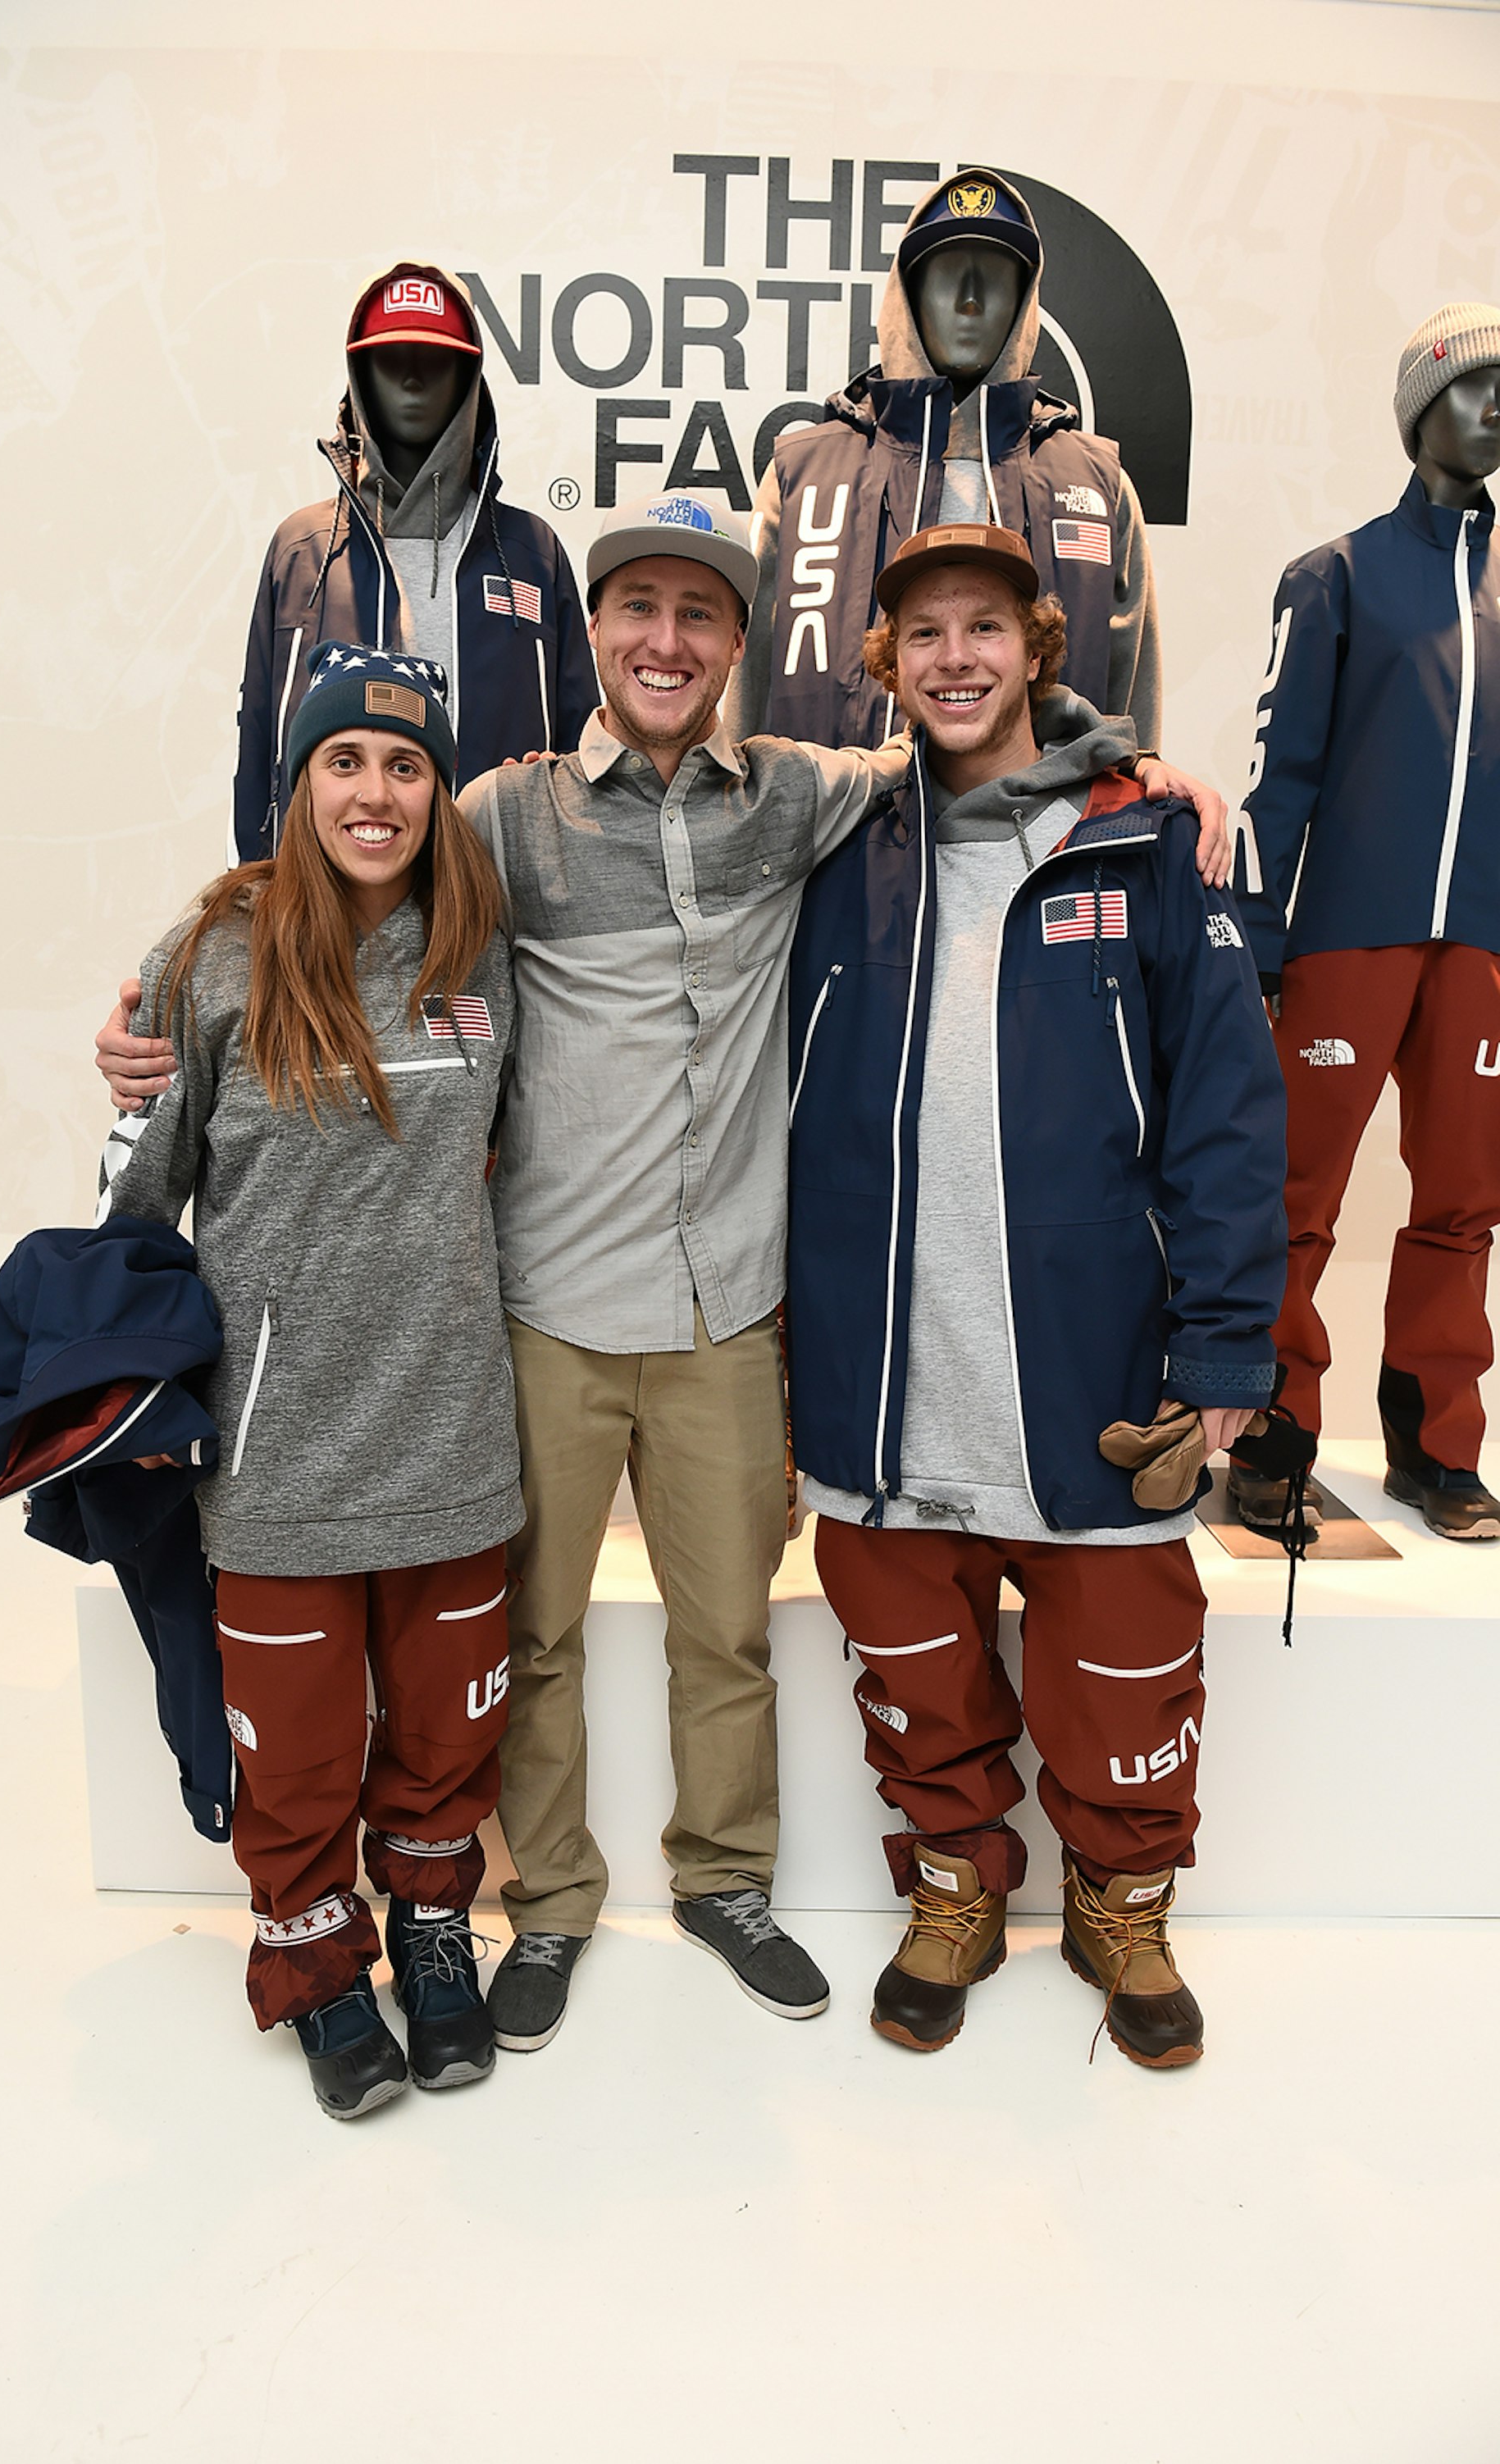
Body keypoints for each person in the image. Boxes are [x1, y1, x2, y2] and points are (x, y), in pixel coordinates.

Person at [100, 494, 1231, 2059]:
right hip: (547, 1312)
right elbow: (341, 861)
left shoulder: (805, 793)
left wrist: (1140, 767)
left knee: (728, 1635)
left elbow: (980, 739)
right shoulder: (501, 815)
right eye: (638, 607)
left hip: (729, 1317)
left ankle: (725, 1881)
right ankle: (554, 1901)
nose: (666, 640)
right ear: (595, 631)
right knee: (535, 1644)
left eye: (701, 615)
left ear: (739, 644)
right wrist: (163, 1004)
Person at [786, 521, 1286, 2069]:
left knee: (1126, 1662)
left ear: (1036, 649)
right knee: (912, 1661)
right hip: (889, 1359)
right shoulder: (836, 844)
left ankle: (1121, 1901)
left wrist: (1225, 1348)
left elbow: (1228, 1113)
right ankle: (955, 1883)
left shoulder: (1146, 840)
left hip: (1095, 1359)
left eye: (985, 628)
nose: (956, 659)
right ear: (889, 662)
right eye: (925, 633)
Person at [98, 643, 521, 2120]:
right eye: (344, 760)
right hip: (278, 1449)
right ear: (298, 784)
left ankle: (430, 1925)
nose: (375, 791)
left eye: (406, 765)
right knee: (297, 1753)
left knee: (447, 1731)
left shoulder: (481, 947)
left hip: (453, 1430)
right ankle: (314, 1961)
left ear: (438, 792)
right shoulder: (210, 957)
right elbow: (137, 1206)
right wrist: (137, 1403)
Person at [1229, 302, 1500, 1544]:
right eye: (1471, 386)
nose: (1493, 410)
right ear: (1417, 411)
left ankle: (1434, 1444)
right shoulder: (1334, 575)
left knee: (1463, 1201)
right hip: (1345, 933)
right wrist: (1255, 934)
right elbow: (1278, 773)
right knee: (1295, 1195)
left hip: (1480, 946)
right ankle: (1273, 1430)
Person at [727, 169, 1160, 756]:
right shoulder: (804, 476)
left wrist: (1137, 784)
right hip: (836, 812)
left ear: (1025, 299)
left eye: (996, 277)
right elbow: (746, 685)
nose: (971, 300)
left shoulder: (1093, 484)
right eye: (946, 276)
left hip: (1042, 814)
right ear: (907, 294)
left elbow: (1131, 715)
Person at [234, 262, 597, 859]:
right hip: (328, 900)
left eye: (435, 360)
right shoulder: (303, 551)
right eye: (389, 358)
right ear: (359, 374)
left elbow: (583, 754)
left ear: (468, 378)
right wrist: (256, 888)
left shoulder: (531, 553)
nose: (411, 378)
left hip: (498, 894)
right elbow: (257, 748)